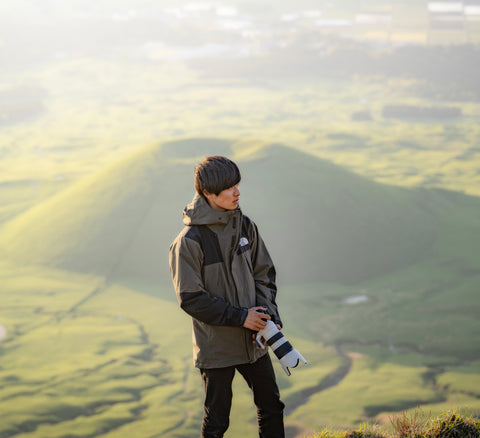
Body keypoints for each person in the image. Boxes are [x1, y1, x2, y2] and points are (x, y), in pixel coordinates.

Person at [169, 156, 285, 438]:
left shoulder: (245, 226)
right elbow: (191, 298)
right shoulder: (189, 242)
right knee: (218, 420)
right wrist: (242, 317)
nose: (237, 192)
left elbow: (264, 274)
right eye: (228, 187)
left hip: (254, 340)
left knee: (271, 406)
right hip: (217, 348)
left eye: (237, 184)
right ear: (207, 193)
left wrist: (270, 319)